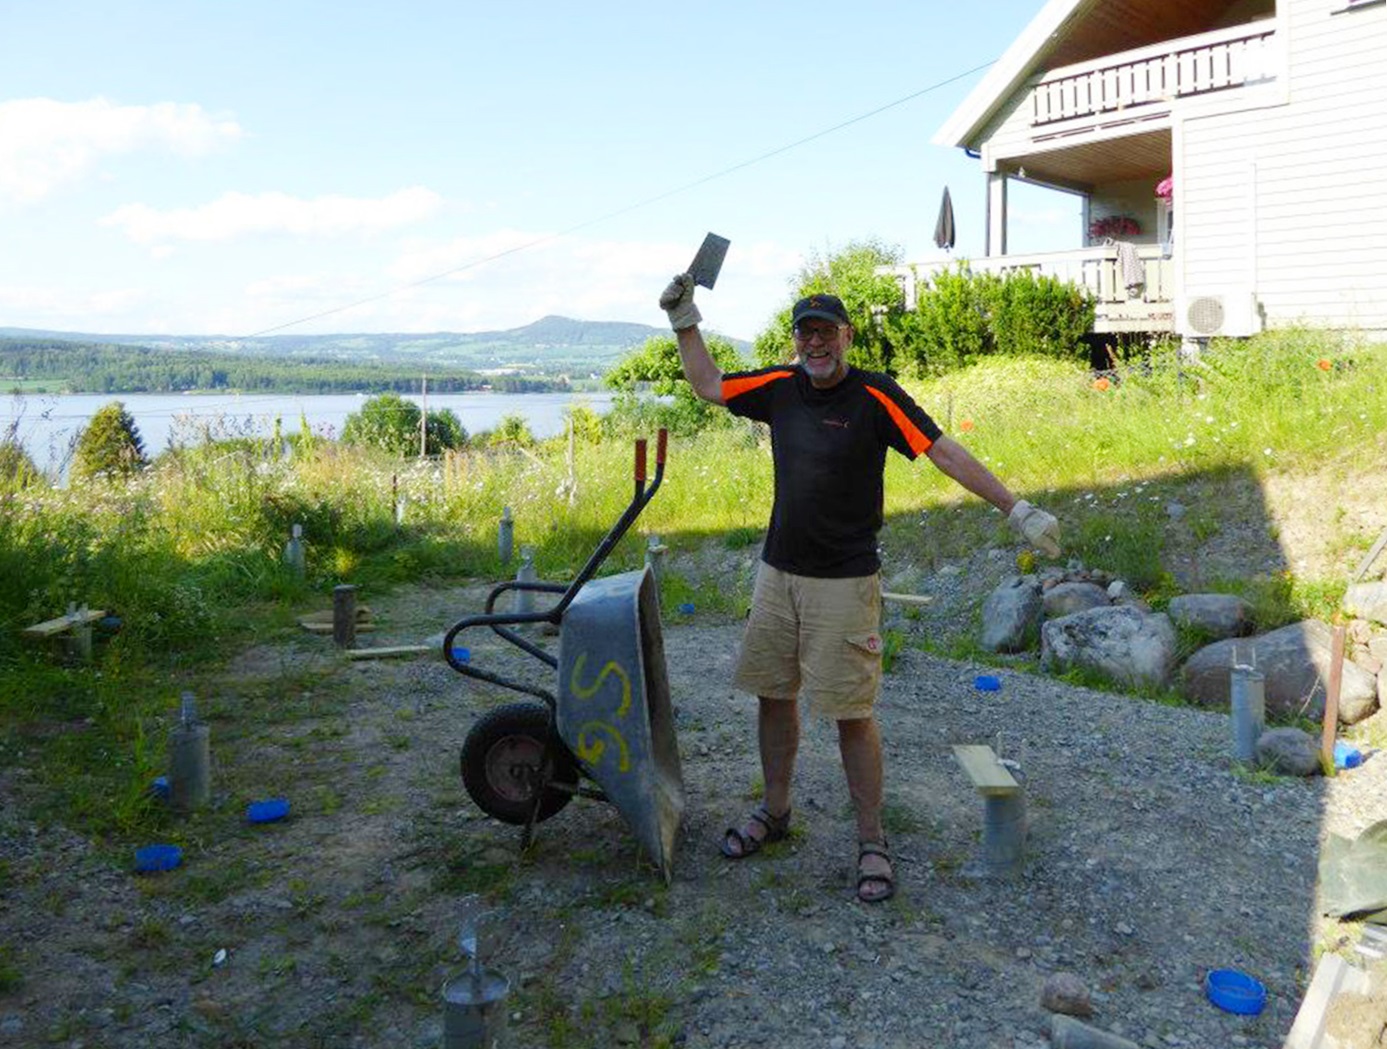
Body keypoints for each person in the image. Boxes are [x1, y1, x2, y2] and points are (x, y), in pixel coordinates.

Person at [658, 273, 1061, 904]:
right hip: (777, 574)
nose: (815, 343)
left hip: (845, 583)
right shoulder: (779, 387)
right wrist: (686, 321)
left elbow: (941, 450)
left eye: (826, 331)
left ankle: (872, 839)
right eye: (805, 332)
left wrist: (1015, 508)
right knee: (772, 695)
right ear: (797, 341)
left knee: (851, 714)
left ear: (845, 336)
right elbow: (708, 385)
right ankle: (777, 809)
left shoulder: (876, 395)